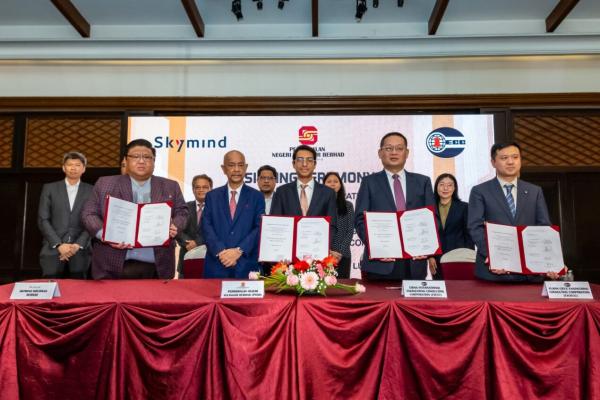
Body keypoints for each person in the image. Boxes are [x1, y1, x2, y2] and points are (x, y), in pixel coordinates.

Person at [81, 139, 188, 279]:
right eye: (136, 156)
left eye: (147, 157)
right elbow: (89, 214)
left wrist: (175, 225)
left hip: (157, 265)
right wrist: (105, 235)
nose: (141, 161)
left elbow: (182, 211)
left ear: (154, 161)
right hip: (111, 264)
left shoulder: (170, 186)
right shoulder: (105, 183)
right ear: (126, 160)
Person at [468, 142, 562, 282]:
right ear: (493, 162)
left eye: (515, 157)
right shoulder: (480, 191)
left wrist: (550, 261)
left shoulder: (534, 191)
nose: (511, 162)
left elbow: (544, 228)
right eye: (504, 158)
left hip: (530, 272)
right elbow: (475, 227)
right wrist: (493, 256)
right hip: (494, 273)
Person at [355, 132, 437, 280]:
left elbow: (432, 219)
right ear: (380, 153)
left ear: (407, 153)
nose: (394, 152)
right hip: (380, 264)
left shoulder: (422, 182)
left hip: (415, 261)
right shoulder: (369, 182)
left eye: (399, 148)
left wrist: (427, 247)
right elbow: (360, 219)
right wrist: (377, 247)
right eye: (388, 148)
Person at [201, 150, 265, 278]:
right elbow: (206, 226)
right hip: (217, 265)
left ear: (246, 168)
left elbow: (260, 227)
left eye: (240, 165)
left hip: (246, 266)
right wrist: (221, 251)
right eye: (231, 165)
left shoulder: (257, 196)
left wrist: (238, 251)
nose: (236, 169)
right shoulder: (212, 196)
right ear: (223, 169)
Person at [270, 144, 339, 260]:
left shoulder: (328, 193)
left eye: (309, 160)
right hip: (288, 258)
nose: (305, 164)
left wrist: (322, 248)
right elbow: (276, 225)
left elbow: (332, 226)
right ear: (294, 164)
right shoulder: (282, 192)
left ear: (315, 164)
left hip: (318, 257)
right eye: (300, 160)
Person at [38, 152, 93, 278]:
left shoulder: (92, 190)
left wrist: (78, 244)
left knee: (79, 286)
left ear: (84, 169)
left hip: (80, 248)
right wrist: (59, 244)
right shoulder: (49, 188)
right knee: (50, 284)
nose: (73, 168)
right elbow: (43, 219)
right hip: (53, 247)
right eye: (69, 165)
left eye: (77, 165)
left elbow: (93, 220)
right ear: (63, 167)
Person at [175, 174, 212, 277]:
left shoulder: (217, 209)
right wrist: (187, 243)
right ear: (193, 189)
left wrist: (197, 243)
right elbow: (177, 228)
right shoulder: (184, 207)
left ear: (211, 189)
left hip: (209, 262)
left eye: (205, 187)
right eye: (197, 187)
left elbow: (217, 231)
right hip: (186, 261)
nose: (201, 190)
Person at [323, 172, 355, 279]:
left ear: (340, 185)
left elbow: (350, 231)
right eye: (329, 181)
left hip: (343, 255)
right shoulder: (320, 206)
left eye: (335, 181)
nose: (332, 184)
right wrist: (328, 252)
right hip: (324, 256)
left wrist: (339, 252)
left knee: (342, 286)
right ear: (323, 185)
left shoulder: (348, 205)